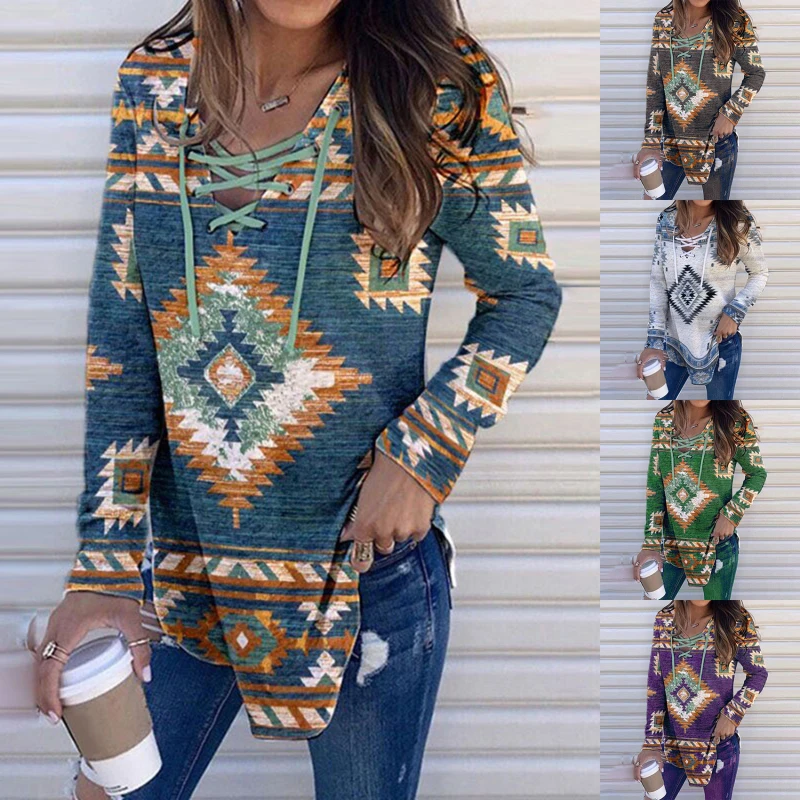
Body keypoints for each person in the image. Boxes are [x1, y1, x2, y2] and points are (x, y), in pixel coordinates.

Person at [34, 1, 562, 799]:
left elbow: (524, 292)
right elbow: (126, 340)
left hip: (362, 575)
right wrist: (102, 568)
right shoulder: (155, 84)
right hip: (186, 571)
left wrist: (423, 456)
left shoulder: (434, 86)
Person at [633, 600, 768, 798]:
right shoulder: (665, 619)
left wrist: (733, 714)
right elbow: (656, 686)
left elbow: (758, 674)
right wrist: (651, 744)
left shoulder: (735, 620)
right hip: (672, 745)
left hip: (718, 745)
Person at [633, 400, 766, 600]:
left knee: (717, 608)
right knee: (654, 603)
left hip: (717, 544)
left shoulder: (734, 421)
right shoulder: (664, 420)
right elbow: (656, 488)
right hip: (671, 545)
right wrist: (650, 544)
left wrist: (731, 515)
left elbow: (757, 474)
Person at [633, 0, 765, 199]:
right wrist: (650, 143)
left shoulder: (734, 21)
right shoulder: (664, 19)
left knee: (716, 206)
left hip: (716, 143)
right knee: (651, 201)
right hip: (671, 143)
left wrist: (731, 114)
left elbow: (756, 73)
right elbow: (656, 85)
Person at [636, 200, 767, 400]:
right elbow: (658, 282)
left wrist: (734, 313)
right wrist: (654, 342)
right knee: (655, 402)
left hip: (720, 343)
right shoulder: (666, 220)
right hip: (672, 344)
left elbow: (759, 273)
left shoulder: (736, 223)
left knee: (719, 408)